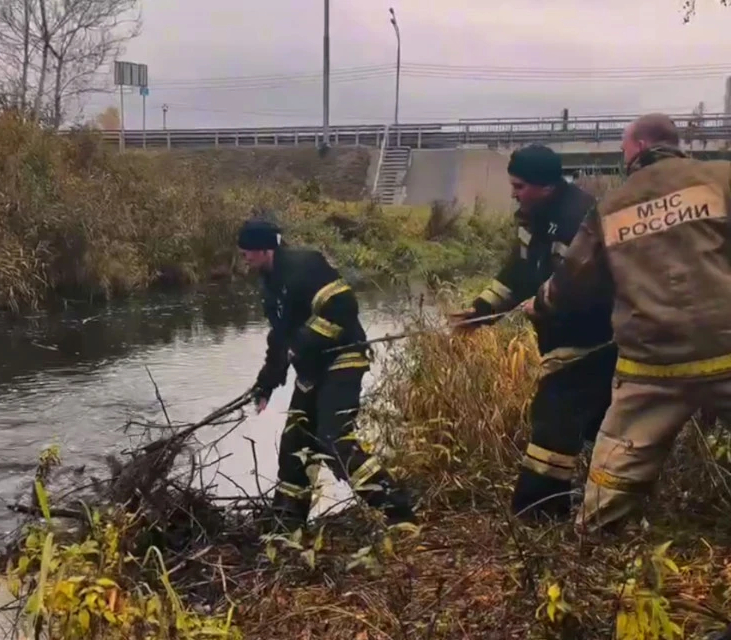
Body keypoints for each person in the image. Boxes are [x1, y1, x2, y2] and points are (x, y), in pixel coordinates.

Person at [526, 113, 731, 532]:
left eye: (623, 149)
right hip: (725, 346)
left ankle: (595, 539)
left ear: (637, 147)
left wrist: (540, 304)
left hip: (651, 363)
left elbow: (574, 278)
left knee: (613, 473)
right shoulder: (721, 179)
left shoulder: (611, 206)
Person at [451, 144, 616, 520]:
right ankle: (605, 503)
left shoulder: (581, 219)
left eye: (519, 186)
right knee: (599, 423)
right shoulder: (532, 217)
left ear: (547, 187)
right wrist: (481, 312)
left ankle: (538, 513)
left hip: (592, 342)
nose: (514, 194)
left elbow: (587, 287)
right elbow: (518, 271)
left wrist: (542, 305)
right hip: (562, 339)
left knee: (553, 423)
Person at [237, 218, 416, 531]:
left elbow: (343, 307)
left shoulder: (306, 265)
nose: (244, 258)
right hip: (311, 372)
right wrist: (265, 385)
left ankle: (398, 512)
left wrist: (302, 343)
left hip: (342, 360)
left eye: (247, 252)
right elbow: (280, 340)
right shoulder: (270, 285)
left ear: (265, 249)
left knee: (333, 440)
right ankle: (287, 524)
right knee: (295, 444)